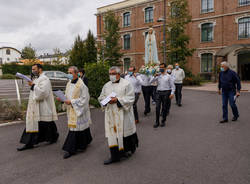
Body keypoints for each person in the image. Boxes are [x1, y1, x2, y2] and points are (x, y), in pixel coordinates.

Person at [98, 66, 139, 165]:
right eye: (110, 74)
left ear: (119, 74)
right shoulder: (106, 85)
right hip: (111, 114)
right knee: (113, 135)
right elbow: (101, 97)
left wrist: (117, 100)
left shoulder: (126, 84)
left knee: (124, 133)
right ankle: (115, 156)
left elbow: (131, 98)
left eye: (113, 74)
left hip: (122, 113)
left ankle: (126, 150)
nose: (111, 76)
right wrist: (105, 101)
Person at [17, 64, 59, 151]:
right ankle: (29, 143)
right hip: (35, 106)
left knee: (46, 123)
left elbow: (43, 93)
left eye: (34, 69)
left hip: (43, 106)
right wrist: (33, 84)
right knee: (38, 123)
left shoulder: (45, 79)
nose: (33, 71)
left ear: (40, 69)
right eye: (32, 69)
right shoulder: (36, 79)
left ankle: (53, 136)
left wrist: (33, 86)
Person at [57, 66, 92, 159]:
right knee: (80, 128)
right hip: (72, 109)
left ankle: (70, 149)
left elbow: (85, 99)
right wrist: (62, 98)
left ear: (77, 73)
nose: (69, 74)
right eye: (68, 72)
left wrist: (72, 102)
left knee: (74, 129)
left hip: (78, 109)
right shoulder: (69, 83)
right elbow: (68, 94)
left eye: (71, 73)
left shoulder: (82, 85)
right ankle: (84, 143)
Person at [149, 63, 175, 128]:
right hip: (158, 93)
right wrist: (154, 76)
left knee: (164, 108)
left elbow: (173, 86)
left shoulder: (169, 76)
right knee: (157, 107)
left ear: (165, 68)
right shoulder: (158, 75)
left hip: (166, 93)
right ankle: (157, 122)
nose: (161, 68)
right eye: (160, 67)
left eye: (162, 67)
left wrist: (172, 93)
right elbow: (150, 81)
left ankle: (163, 121)